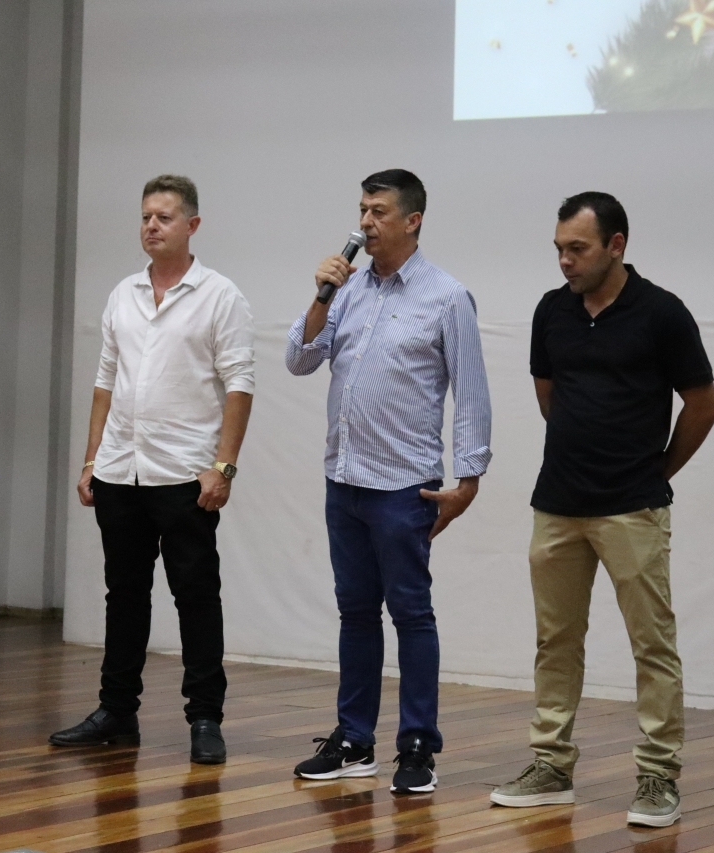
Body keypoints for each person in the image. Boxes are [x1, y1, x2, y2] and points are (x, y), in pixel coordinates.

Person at [490, 192, 714, 827]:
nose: (565, 261)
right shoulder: (551, 310)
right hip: (557, 505)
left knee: (653, 644)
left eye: (578, 249)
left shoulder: (662, 313)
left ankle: (657, 776)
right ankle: (550, 766)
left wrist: (656, 472)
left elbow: (703, 405)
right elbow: (550, 397)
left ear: (616, 246)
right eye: (559, 249)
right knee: (555, 640)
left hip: (632, 508)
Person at [285, 169, 492, 795]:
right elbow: (298, 360)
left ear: (412, 220)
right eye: (361, 210)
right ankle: (354, 741)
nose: (364, 223)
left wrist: (469, 478)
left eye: (377, 211)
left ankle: (418, 747)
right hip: (344, 477)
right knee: (355, 612)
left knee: (411, 614)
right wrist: (321, 296)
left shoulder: (447, 297)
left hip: (405, 485)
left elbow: (470, 391)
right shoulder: (346, 289)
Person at [48, 175, 255, 765]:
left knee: (196, 596)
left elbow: (240, 384)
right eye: (145, 217)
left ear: (192, 225)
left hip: (186, 473)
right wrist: (92, 459)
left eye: (164, 217)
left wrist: (224, 466)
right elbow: (104, 381)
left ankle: (205, 717)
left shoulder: (220, 295)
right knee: (124, 595)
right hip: (120, 471)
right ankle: (117, 710)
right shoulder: (124, 294)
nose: (151, 226)